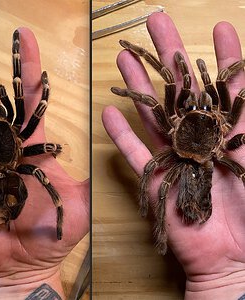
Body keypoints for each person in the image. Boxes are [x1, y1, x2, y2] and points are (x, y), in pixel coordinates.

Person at [0, 13, 89, 300]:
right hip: (7, 189)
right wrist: (43, 91)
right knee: (39, 171)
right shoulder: (20, 140)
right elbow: (35, 110)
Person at [102, 12, 245, 299]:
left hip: (181, 166)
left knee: (167, 89)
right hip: (198, 163)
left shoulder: (171, 133)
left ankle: (160, 229)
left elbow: (157, 97)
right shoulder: (225, 130)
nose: (202, 106)